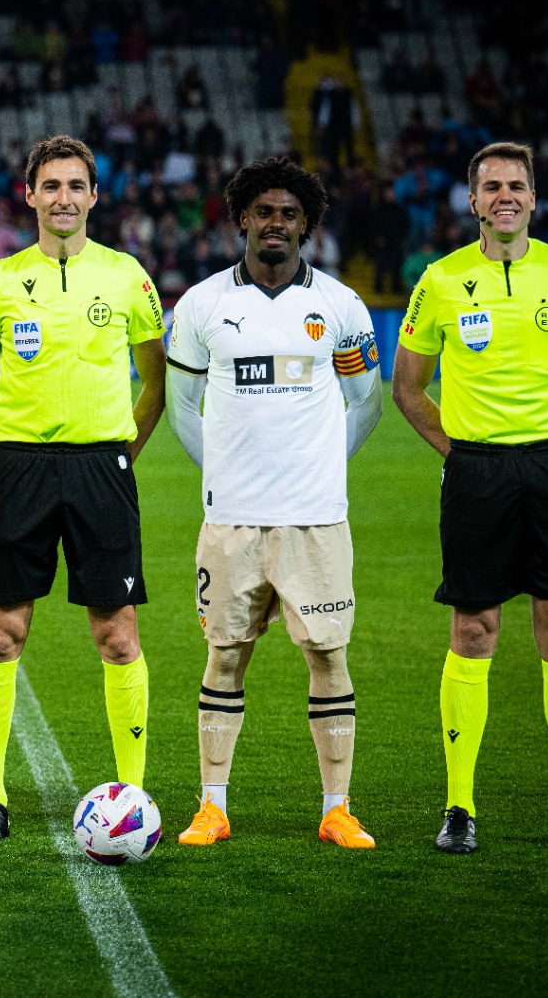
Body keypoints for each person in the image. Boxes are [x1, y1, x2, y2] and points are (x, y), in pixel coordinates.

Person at [392, 141, 548, 854]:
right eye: (491, 186)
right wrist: (459, 454)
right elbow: (407, 386)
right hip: (477, 476)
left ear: (532, 195)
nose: (505, 197)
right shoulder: (442, 279)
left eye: (516, 185)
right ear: (473, 200)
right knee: (474, 630)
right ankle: (460, 807)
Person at [0, 134, 167, 843]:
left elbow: (154, 381)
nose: (63, 198)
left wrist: (120, 454)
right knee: (3, 634)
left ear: (94, 196)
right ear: (30, 195)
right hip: (23, 472)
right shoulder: (1, 281)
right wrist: (9, 445)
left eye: (76, 186)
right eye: (51, 186)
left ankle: (129, 794)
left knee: (117, 636)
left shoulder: (127, 276)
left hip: (102, 468)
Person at [165, 155, 383, 850]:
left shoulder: (341, 307)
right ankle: (212, 806)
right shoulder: (203, 305)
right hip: (230, 520)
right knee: (225, 655)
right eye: (264, 213)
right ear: (241, 221)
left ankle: (337, 808)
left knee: (328, 654)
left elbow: (366, 403)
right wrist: (227, 472)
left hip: (316, 518)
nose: (276, 225)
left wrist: (317, 466)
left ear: (308, 226)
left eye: (290, 214)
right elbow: (182, 407)